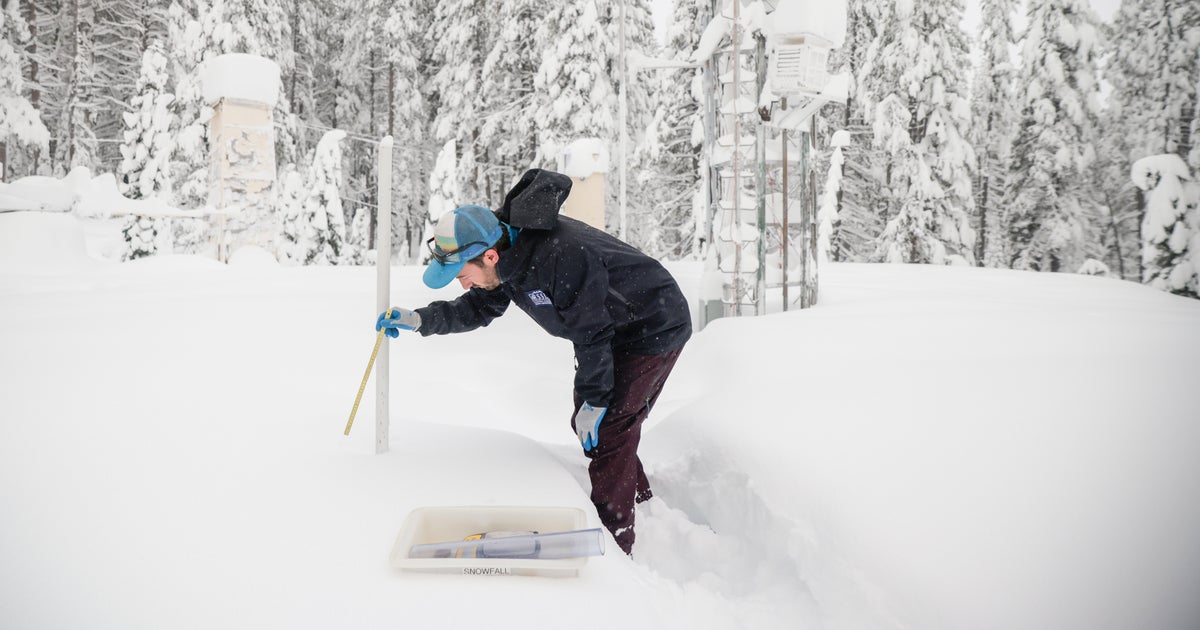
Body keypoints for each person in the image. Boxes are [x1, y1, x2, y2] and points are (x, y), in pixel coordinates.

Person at [376, 169, 692, 554]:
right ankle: (639, 498)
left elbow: (591, 334)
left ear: (489, 256)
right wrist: (420, 320)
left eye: (462, 274)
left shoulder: (559, 256)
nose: (464, 283)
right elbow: (479, 308)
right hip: (608, 328)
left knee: (609, 425)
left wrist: (596, 401)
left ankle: (615, 543)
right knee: (597, 424)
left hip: (652, 324)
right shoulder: (505, 253)